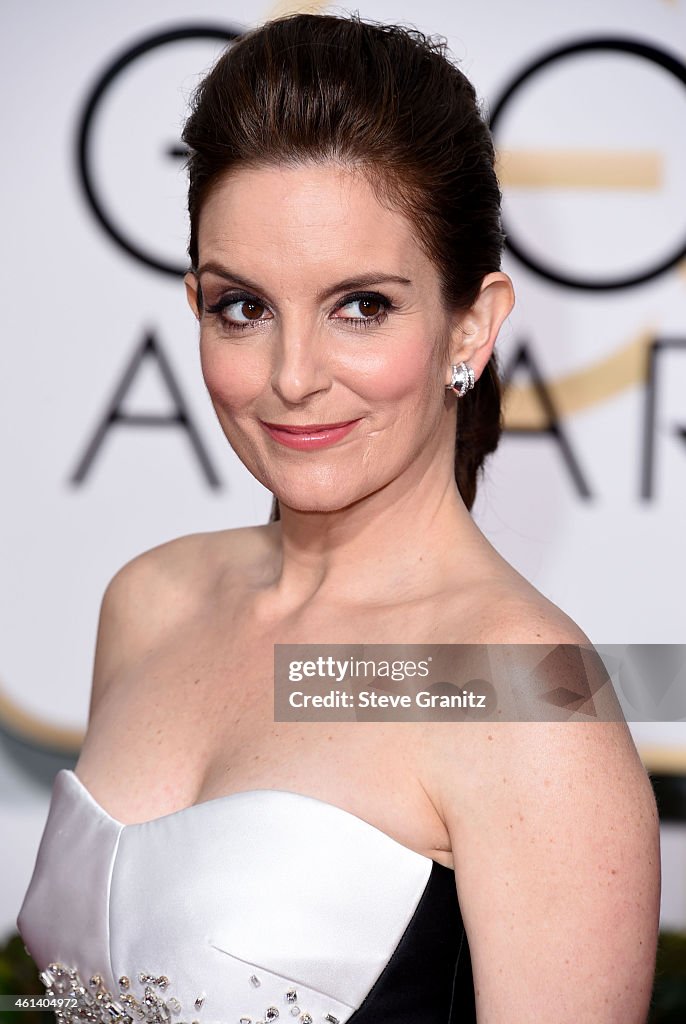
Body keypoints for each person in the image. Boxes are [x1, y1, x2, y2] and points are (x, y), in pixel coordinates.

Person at [17, 11, 660, 1024]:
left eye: (360, 305)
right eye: (243, 306)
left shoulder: (524, 690)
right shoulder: (151, 600)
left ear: (471, 322)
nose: (291, 377)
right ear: (195, 305)